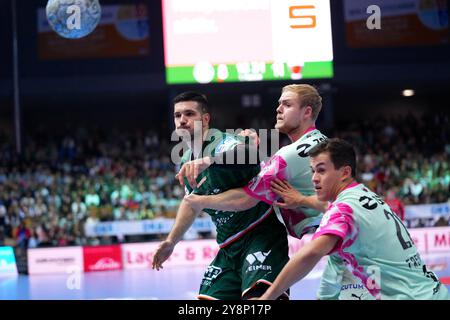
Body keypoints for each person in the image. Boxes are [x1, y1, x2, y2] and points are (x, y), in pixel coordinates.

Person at [260, 138, 450, 300]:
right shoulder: (363, 195)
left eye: (321, 170)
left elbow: (311, 253)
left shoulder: (344, 210)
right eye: (312, 171)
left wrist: (267, 297)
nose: (314, 178)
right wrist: (301, 200)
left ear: (344, 172)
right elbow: (332, 209)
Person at [151, 91, 290, 300]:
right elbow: (191, 203)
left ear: (205, 119)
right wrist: (171, 242)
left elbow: (251, 154)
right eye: (177, 115)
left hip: (261, 236)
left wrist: (207, 161)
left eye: (189, 114)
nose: (182, 120)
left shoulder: (224, 143)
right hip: (227, 248)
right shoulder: (186, 159)